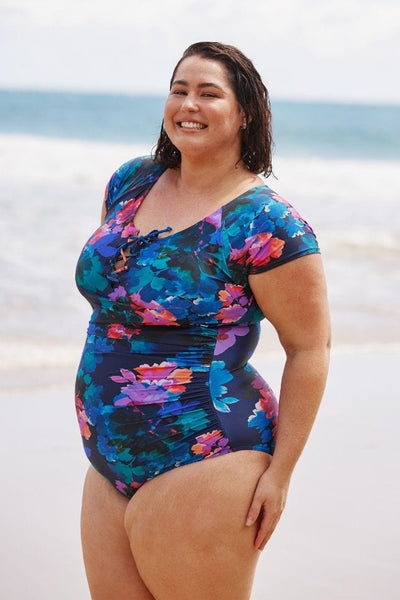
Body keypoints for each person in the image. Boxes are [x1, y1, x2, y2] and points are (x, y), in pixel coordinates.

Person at [74, 41, 330, 600]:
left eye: (209, 93)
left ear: (246, 114)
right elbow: (114, 299)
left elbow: (310, 349)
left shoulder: (270, 223)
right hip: (109, 460)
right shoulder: (132, 182)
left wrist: (280, 475)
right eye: (179, 89)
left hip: (207, 455)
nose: (188, 103)